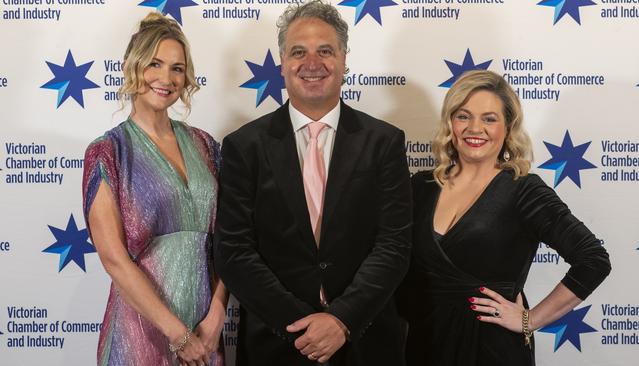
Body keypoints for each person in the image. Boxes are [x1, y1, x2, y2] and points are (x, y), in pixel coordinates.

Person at [214, 1, 412, 365]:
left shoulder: (384, 142)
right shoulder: (244, 147)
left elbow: (394, 246)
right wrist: (301, 327)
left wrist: (342, 320)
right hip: (277, 343)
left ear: (344, 59)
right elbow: (234, 252)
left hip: (365, 341)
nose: (312, 63)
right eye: (298, 52)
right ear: (282, 64)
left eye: (325, 51)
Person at [397, 70, 611, 365]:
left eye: (489, 118)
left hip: (493, 349)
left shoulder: (523, 189)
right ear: (450, 123)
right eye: (463, 116)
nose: (475, 128)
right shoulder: (419, 186)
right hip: (423, 345)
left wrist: (530, 319)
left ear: (508, 128)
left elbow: (593, 259)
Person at [82, 12, 226, 366]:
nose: (166, 78)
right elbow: (114, 259)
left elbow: (228, 240)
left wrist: (217, 313)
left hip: (205, 332)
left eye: (177, 68)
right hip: (139, 333)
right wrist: (179, 336)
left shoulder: (206, 146)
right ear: (134, 67)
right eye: (155, 64)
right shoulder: (108, 152)